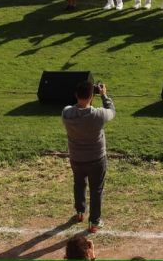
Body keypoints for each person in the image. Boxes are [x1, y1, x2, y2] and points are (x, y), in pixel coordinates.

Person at [62, 79, 115, 233]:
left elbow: (72, 107)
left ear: (75, 95)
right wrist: (104, 95)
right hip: (96, 159)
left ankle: (80, 212)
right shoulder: (98, 115)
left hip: (76, 158)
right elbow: (111, 110)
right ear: (92, 96)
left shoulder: (66, 113)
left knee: (79, 184)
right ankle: (94, 222)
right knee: (96, 190)